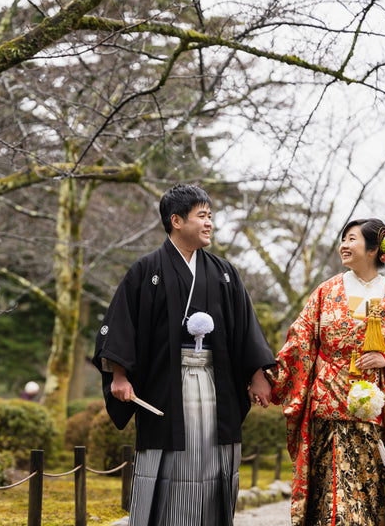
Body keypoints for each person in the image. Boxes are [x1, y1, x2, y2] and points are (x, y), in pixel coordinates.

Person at [93, 183, 277, 526]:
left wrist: (257, 376)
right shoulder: (146, 270)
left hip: (215, 384)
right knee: (171, 460)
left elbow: (245, 327)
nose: (209, 223)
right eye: (202, 216)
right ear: (176, 221)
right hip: (165, 384)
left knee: (213, 459)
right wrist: (119, 375)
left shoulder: (224, 273)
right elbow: (121, 325)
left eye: (210, 216)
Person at [268, 218, 385, 526]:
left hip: (374, 412)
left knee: (372, 494)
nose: (344, 244)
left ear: (374, 249)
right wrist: (269, 378)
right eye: (343, 238)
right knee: (329, 496)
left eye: (352, 239)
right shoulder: (326, 292)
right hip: (328, 405)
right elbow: (300, 339)